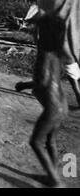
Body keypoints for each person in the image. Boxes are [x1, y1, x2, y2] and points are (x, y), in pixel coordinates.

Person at [16, 0, 80, 109]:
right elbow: (46, 2)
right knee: (65, 64)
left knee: (52, 72)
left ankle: (24, 85)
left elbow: (74, 3)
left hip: (69, 27)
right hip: (51, 28)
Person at [30, 15, 68, 187]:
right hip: (63, 105)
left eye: (36, 32)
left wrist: (26, 84)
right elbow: (55, 78)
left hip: (52, 110)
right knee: (50, 141)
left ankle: (54, 180)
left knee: (36, 142)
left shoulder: (44, 55)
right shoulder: (57, 54)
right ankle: (53, 173)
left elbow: (43, 82)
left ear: (43, 35)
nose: (34, 34)